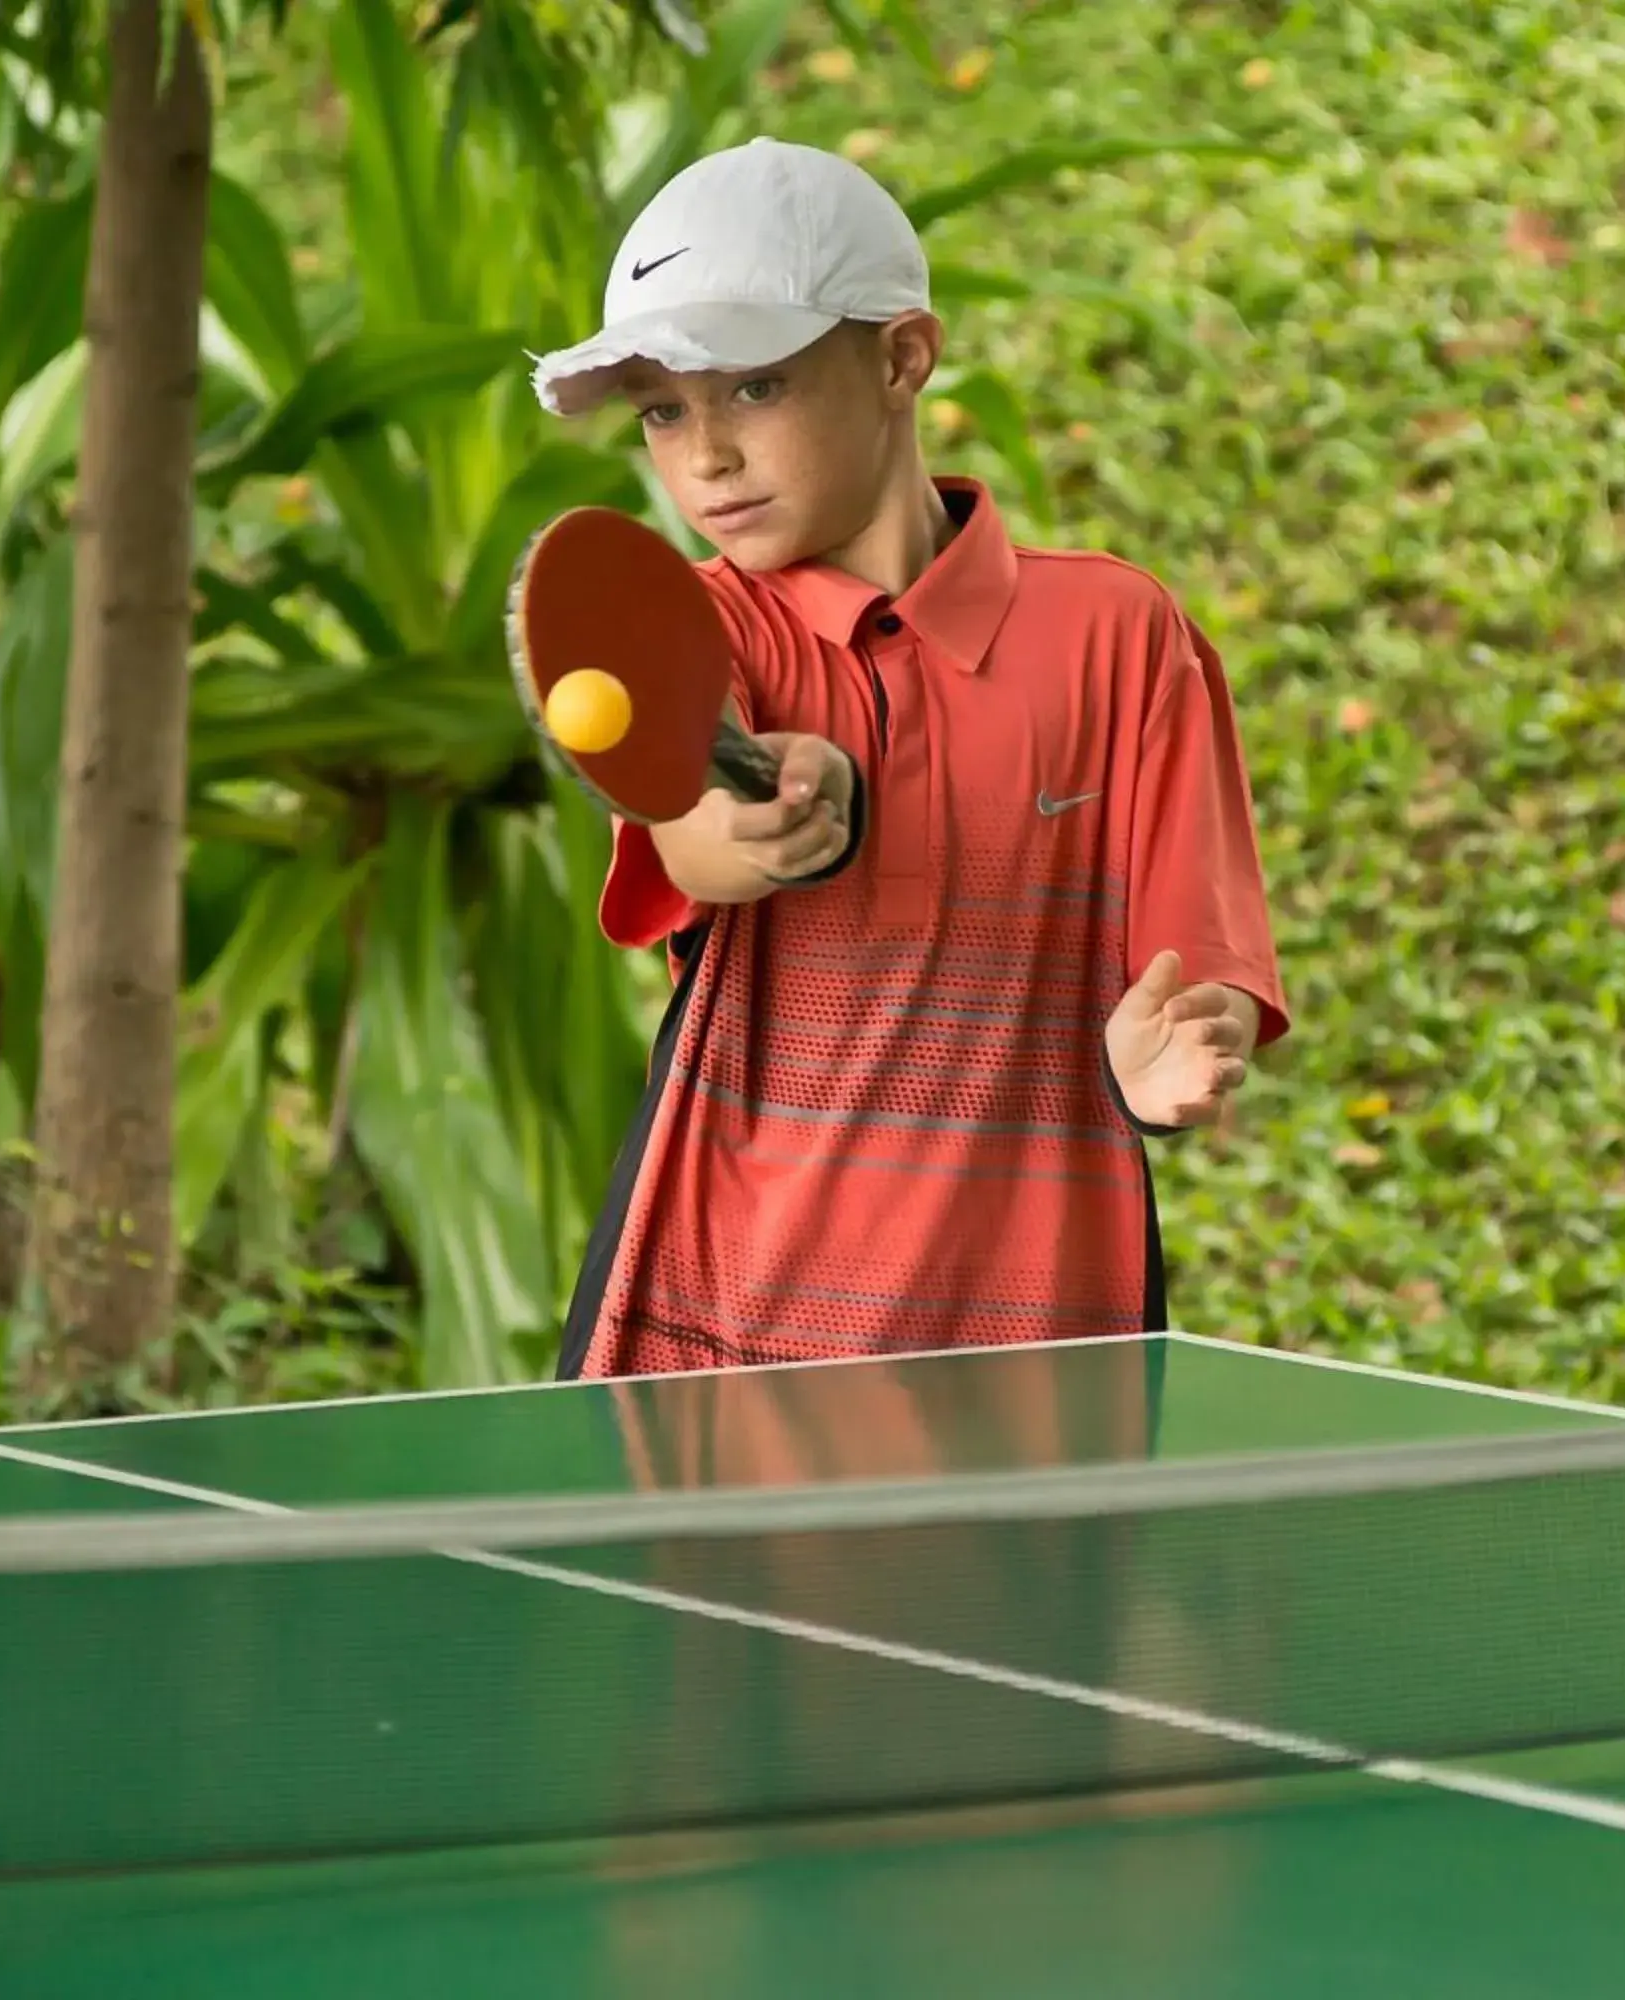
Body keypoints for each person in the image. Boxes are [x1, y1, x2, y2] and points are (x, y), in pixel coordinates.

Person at [528, 138, 1287, 1379]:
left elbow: (1192, 965)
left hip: (1042, 1339)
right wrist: (756, 821)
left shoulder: (1120, 638)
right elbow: (690, 830)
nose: (703, 454)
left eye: (755, 387)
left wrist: (1178, 1047)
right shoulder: (703, 625)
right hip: (731, 1335)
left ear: (901, 356)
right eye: (663, 409)